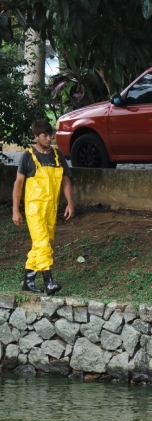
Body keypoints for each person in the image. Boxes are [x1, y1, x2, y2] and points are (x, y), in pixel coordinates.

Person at [12, 119, 74, 295]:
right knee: (43, 243)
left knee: (43, 244)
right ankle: (49, 283)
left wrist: (70, 203)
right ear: (36, 137)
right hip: (34, 210)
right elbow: (18, 184)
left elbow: (65, 180)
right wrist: (16, 210)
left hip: (51, 209)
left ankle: (28, 281)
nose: (49, 139)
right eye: (44, 136)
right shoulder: (28, 157)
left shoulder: (57, 156)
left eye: (50, 135)